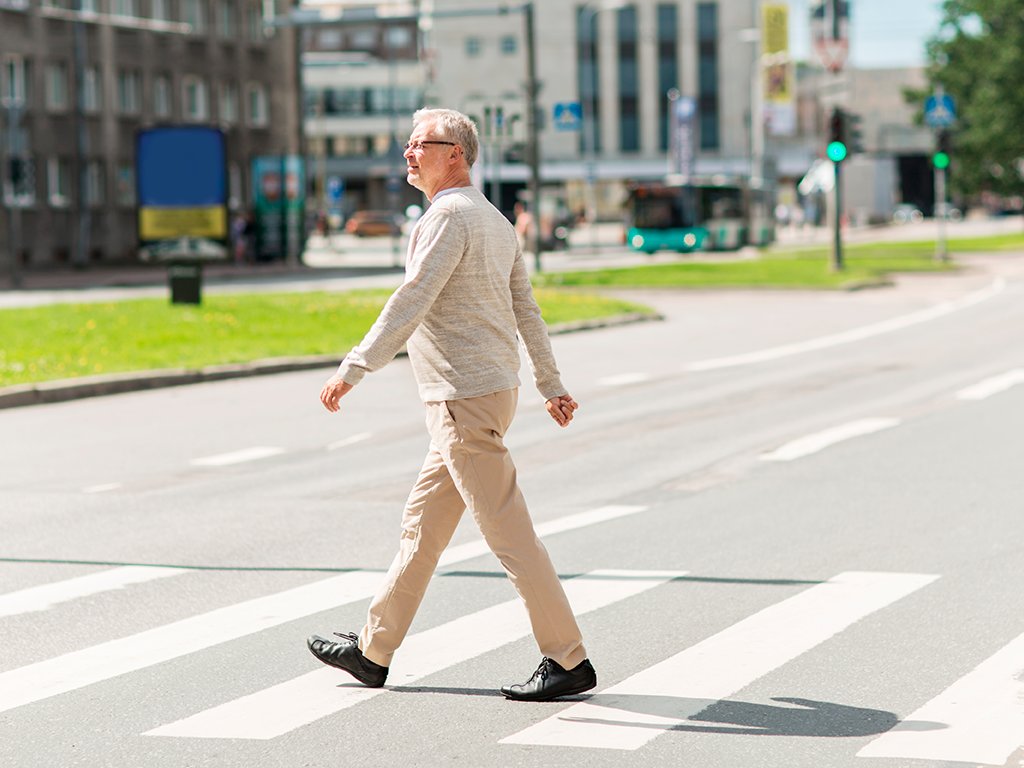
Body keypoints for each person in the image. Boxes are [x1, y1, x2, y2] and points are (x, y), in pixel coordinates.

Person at [308, 108, 596, 702]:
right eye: (408, 144)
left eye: (421, 145)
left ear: (455, 154)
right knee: (423, 527)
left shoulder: (449, 217)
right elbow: (527, 309)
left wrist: (354, 367)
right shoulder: (492, 219)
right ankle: (373, 650)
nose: (409, 154)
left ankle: (568, 659)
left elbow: (412, 297)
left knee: (510, 535)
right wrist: (549, 383)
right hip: (486, 394)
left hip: (463, 400)